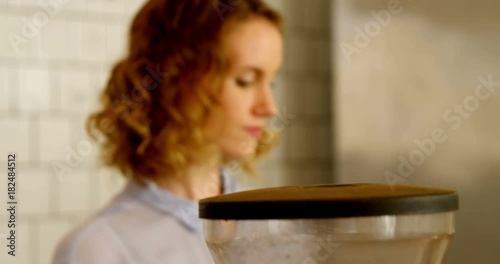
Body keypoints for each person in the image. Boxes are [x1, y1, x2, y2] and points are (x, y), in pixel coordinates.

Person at [52, 0, 284, 263]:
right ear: (175, 79)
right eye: (246, 81)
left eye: (271, 82)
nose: (270, 108)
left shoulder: (276, 224)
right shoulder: (96, 250)